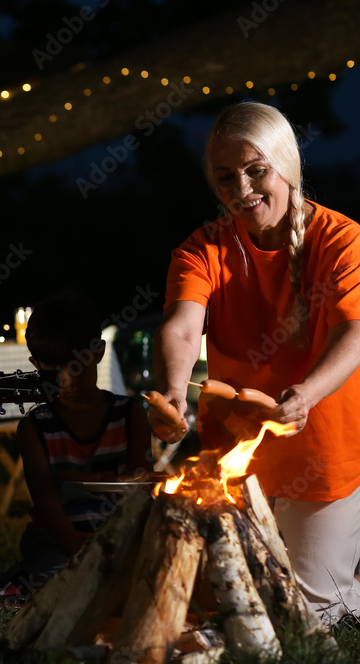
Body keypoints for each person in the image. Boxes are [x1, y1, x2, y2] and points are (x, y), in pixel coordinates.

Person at [151, 101, 360, 624]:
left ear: (285, 164)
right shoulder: (201, 249)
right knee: (232, 606)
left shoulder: (341, 238)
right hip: (234, 462)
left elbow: (355, 331)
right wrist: (173, 391)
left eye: (255, 170)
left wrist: (306, 395)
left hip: (323, 458)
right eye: (225, 177)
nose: (241, 189)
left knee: (317, 617)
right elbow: (180, 325)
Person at [12, 294, 151, 587]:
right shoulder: (35, 427)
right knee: (61, 586)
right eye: (53, 370)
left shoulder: (129, 415)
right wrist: (82, 553)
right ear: (35, 363)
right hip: (55, 538)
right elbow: (47, 502)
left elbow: (141, 485)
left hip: (117, 531)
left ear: (98, 352)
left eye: (77, 365)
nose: (66, 379)